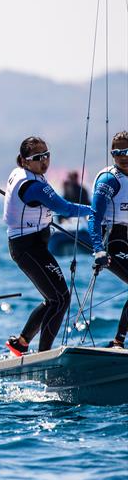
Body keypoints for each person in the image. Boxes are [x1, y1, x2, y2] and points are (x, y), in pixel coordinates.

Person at [3, 136, 93, 356]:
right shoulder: (33, 185)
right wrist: (95, 211)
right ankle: (44, 354)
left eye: (46, 155)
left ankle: (22, 342)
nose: (44, 161)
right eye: (37, 158)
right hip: (28, 247)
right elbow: (66, 209)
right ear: (24, 161)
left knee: (55, 298)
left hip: (32, 245)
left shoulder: (24, 173)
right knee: (60, 298)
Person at [87, 131, 128, 349]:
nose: (122, 156)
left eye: (126, 151)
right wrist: (98, 249)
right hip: (111, 240)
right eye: (116, 152)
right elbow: (94, 216)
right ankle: (117, 342)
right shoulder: (110, 180)